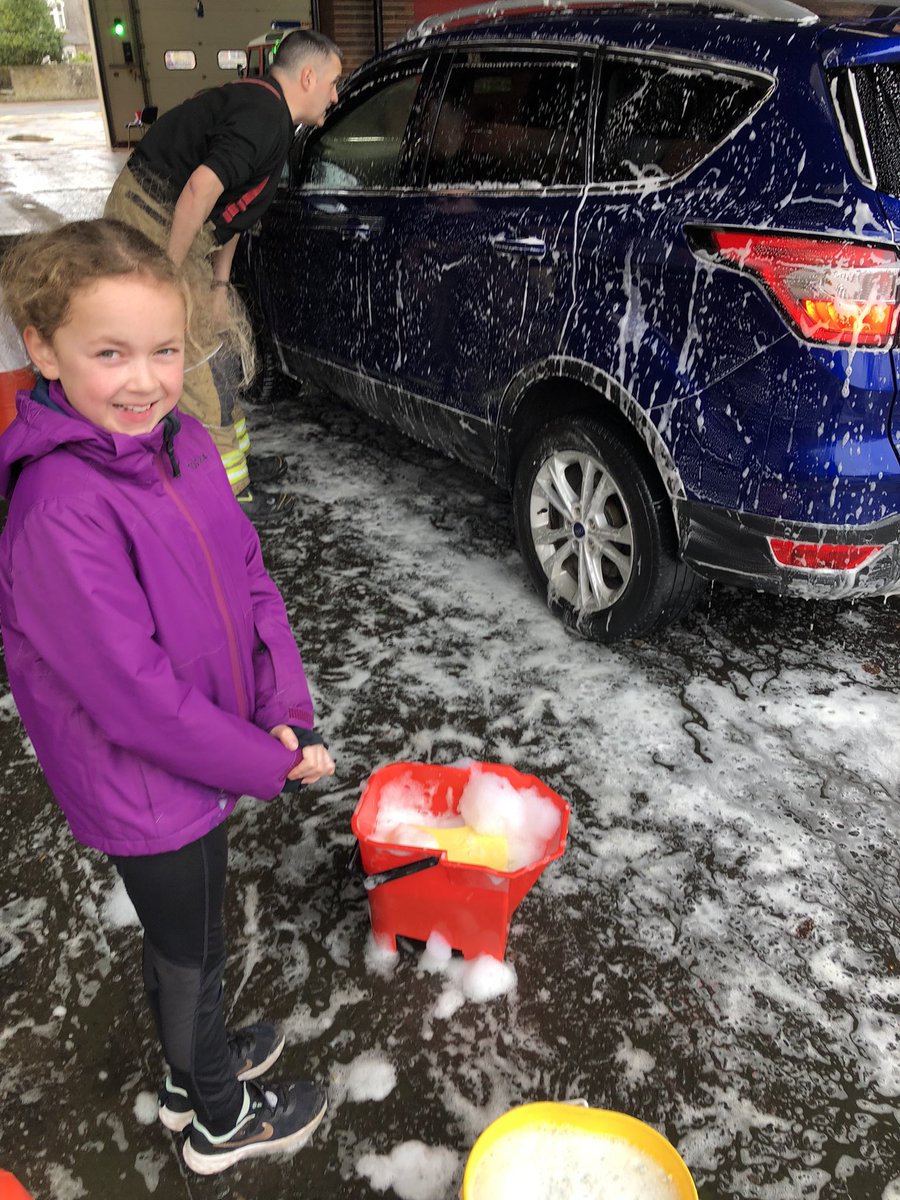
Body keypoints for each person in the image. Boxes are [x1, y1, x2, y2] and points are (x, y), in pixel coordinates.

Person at [0, 219, 336, 1176]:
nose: (145, 379)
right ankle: (218, 1119)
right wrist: (270, 762)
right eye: (109, 354)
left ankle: (199, 1069)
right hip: (146, 785)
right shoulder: (60, 508)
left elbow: (249, 574)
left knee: (194, 929)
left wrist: (286, 703)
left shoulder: (179, 442)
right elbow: (137, 702)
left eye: (164, 350)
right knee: (191, 946)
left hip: (210, 752)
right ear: (44, 350)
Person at [104, 28, 343, 521]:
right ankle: (226, 496)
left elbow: (231, 216)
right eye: (334, 81)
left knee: (225, 343)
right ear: (307, 76)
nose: (337, 95)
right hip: (153, 219)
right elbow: (199, 190)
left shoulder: (274, 119)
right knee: (198, 357)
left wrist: (217, 286)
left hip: (186, 230)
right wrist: (168, 277)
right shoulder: (263, 117)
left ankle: (234, 460)